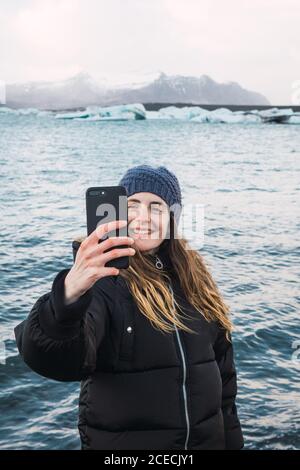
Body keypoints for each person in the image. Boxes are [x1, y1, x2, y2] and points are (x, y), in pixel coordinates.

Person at [14, 164, 244, 450]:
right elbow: (57, 360)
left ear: (172, 218)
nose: (143, 217)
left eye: (156, 207)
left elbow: (225, 379)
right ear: (118, 212)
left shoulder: (196, 279)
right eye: (132, 205)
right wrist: (70, 294)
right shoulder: (103, 280)